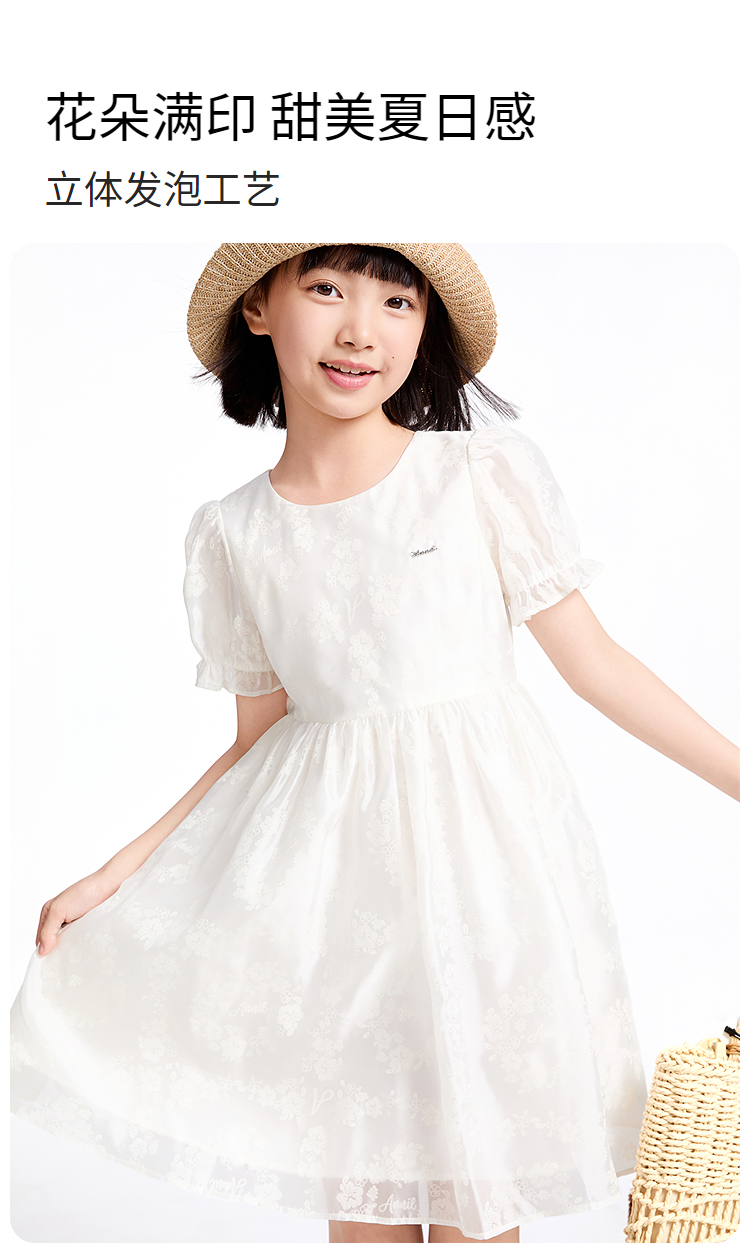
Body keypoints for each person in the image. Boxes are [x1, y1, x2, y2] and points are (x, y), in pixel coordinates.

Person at [11, 243, 739, 1243]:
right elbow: (256, 745)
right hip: (332, 904)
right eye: (326, 289)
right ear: (259, 309)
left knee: (479, 1194)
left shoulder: (475, 474)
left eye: (397, 301)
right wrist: (117, 873)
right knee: (363, 1198)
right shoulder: (235, 533)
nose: (362, 330)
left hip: (484, 882)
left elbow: (596, 664)